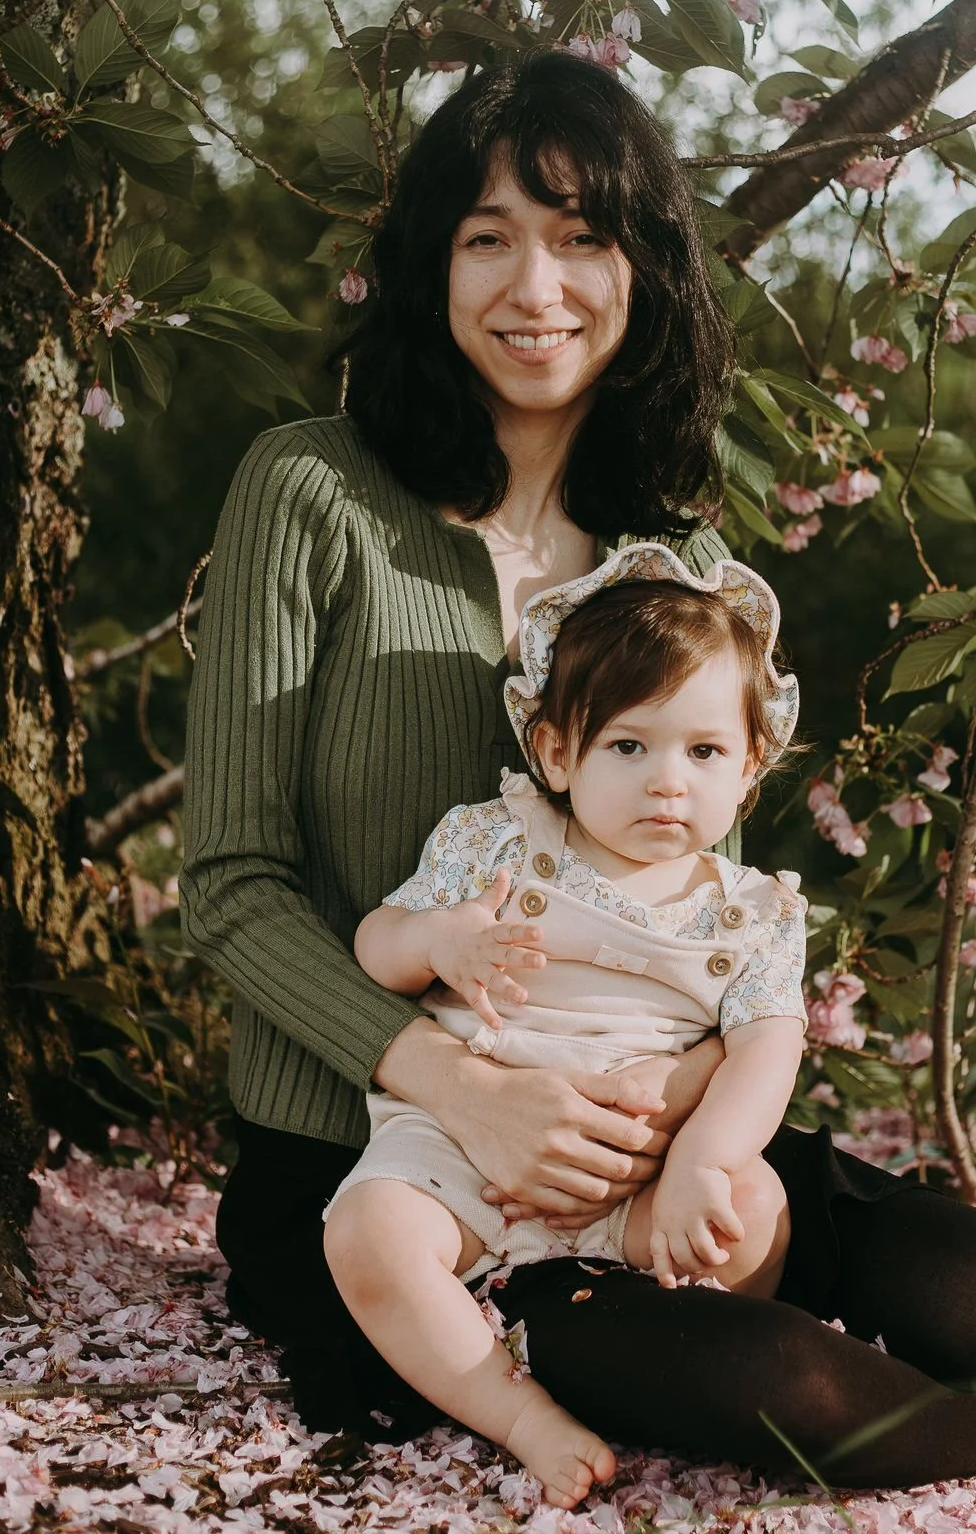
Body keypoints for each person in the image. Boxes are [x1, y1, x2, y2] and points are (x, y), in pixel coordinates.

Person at [181, 52, 976, 1489]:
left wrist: (685, 1111)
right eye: (486, 237)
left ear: (643, 270)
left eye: (580, 238)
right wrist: (457, 1080)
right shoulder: (309, 493)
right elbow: (231, 886)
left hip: (656, 1125)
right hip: (389, 1168)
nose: (531, 286)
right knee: (807, 1397)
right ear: (431, 265)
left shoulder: (684, 570)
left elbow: (713, 904)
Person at [325, 547, 808, 1504]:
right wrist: (439, 940)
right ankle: (519, 1415)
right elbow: (375, 946)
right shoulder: (495, 838)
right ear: (554, 752)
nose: (666, 783)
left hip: (637, 1173)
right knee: (368, 1234)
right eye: (627, 747)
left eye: (702, 752)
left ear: (750, 766)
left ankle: (673, 1358)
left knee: (753, 1214)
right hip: (465, 1144)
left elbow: (767, 1044)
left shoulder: (752, 912)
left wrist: (700, 1164)